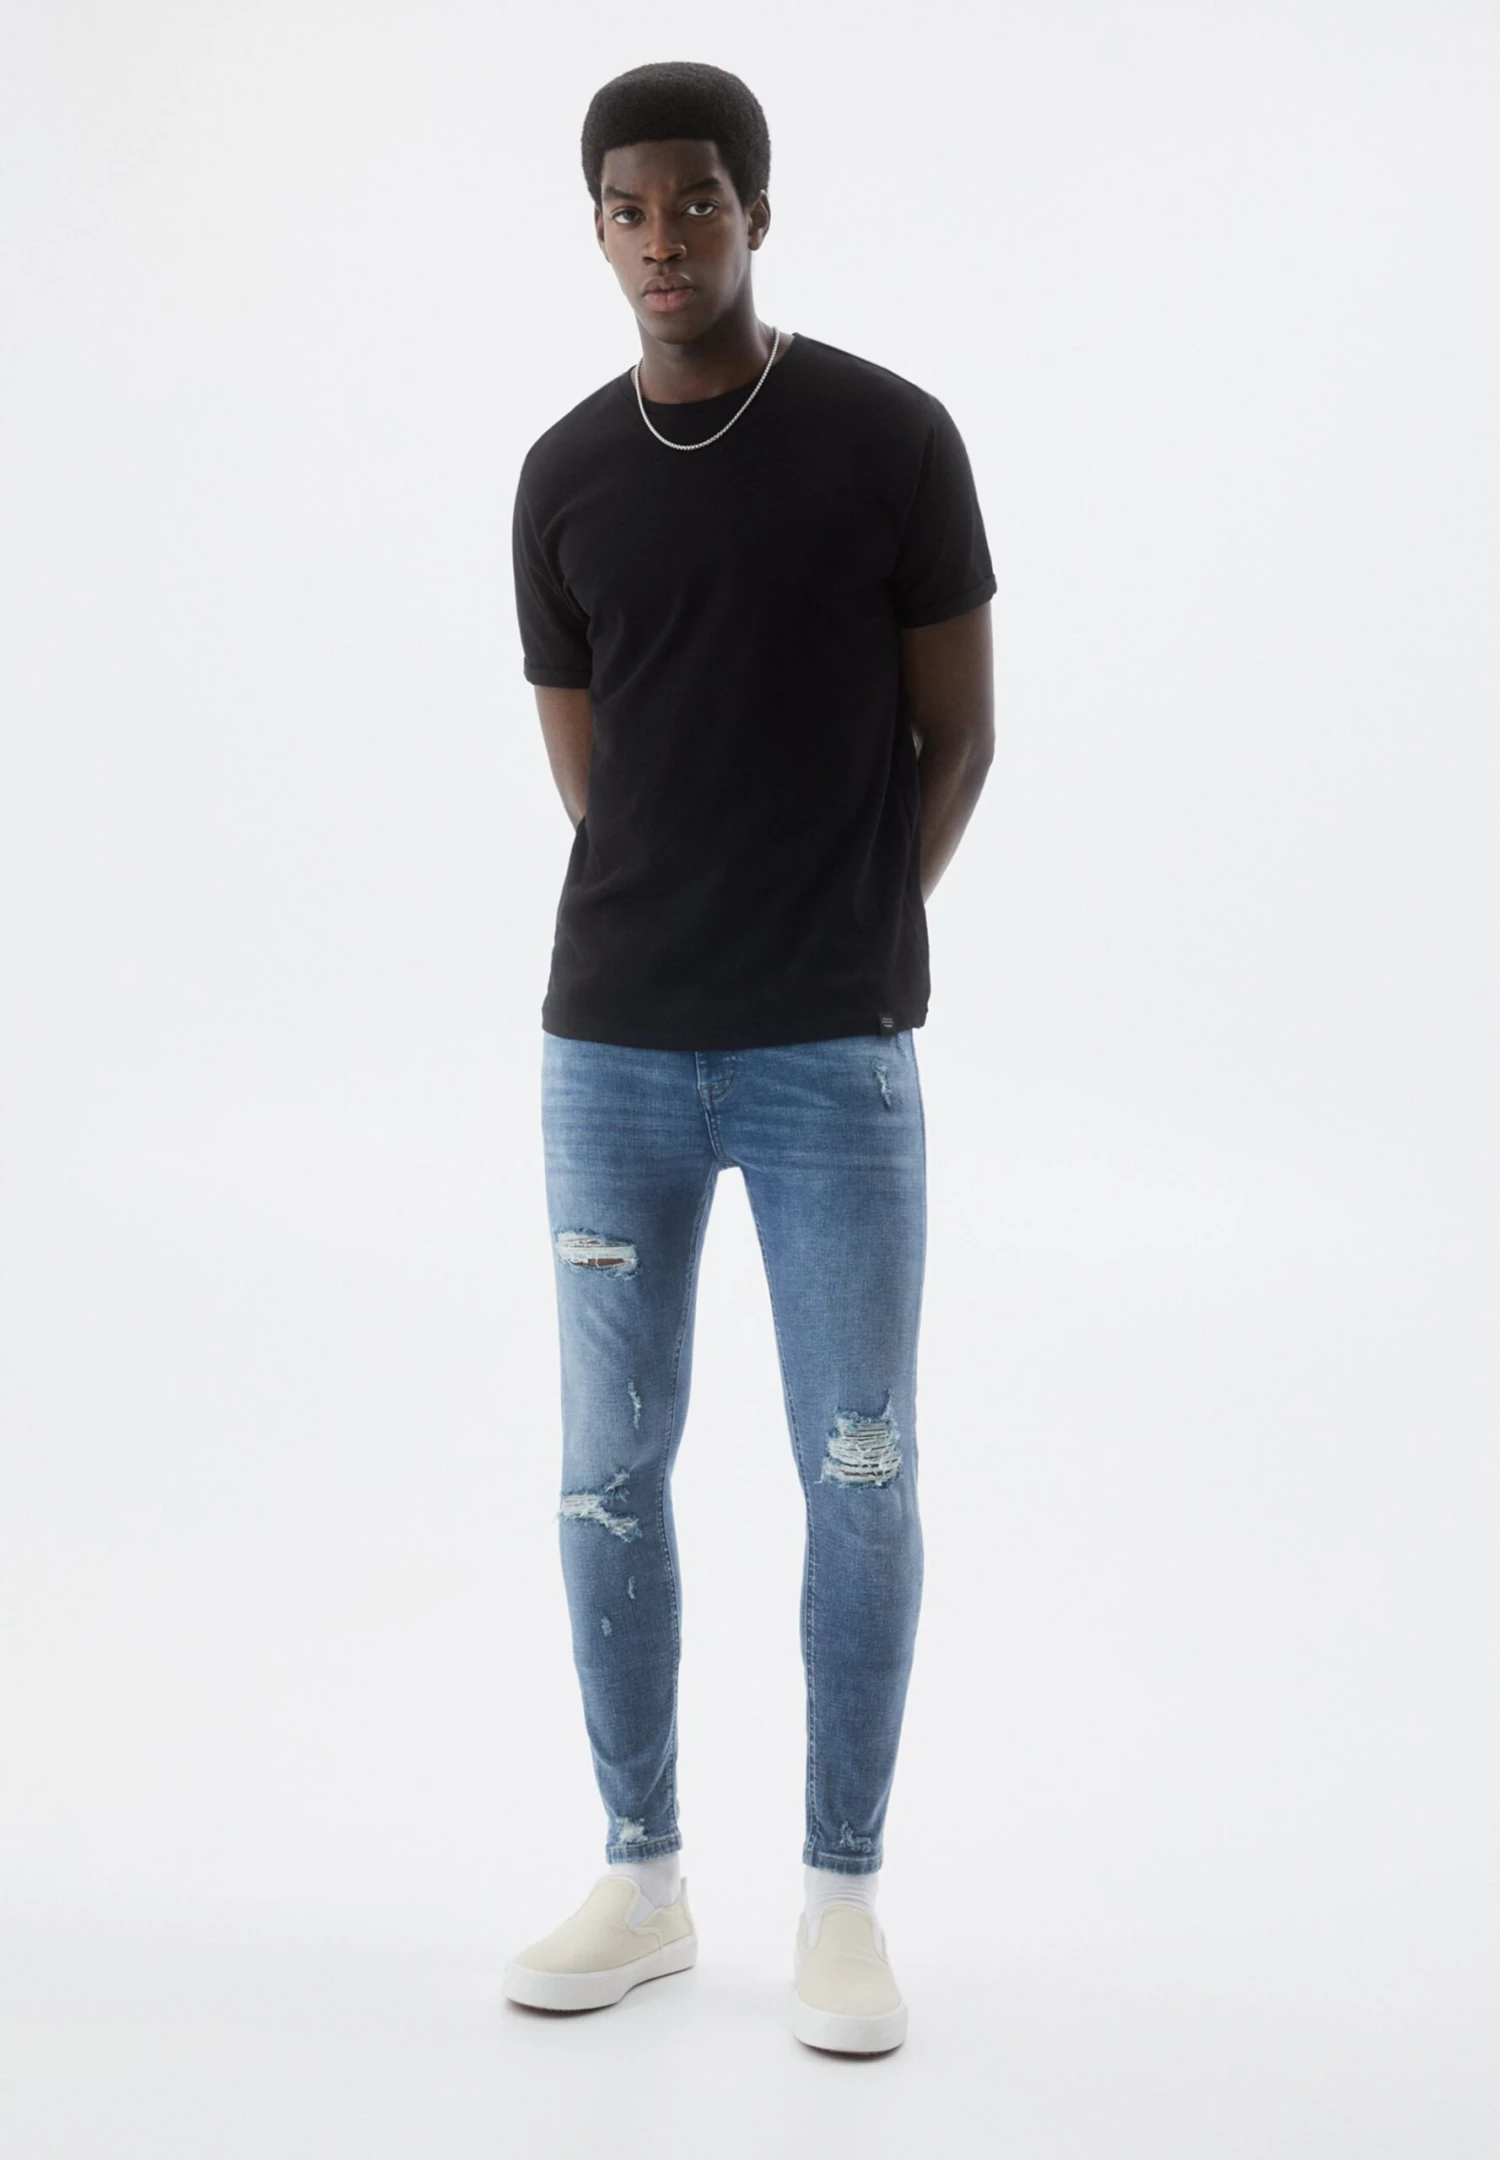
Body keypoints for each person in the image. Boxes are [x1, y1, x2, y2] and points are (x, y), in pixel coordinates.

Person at [502, 60, 995, 2053]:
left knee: (857, 1467)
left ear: (757, 213)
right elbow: (592, 774)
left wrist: (853, 924)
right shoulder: (564, 473)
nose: (663, 239)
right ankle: (642, 1877)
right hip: (611, 1052)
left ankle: (842, 1899)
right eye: (628, 209)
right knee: (606, 1473)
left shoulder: (889, 437)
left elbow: (959, 731)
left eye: (697, 201)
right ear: (598, 227)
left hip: (831, 1060)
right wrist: (691, 920)